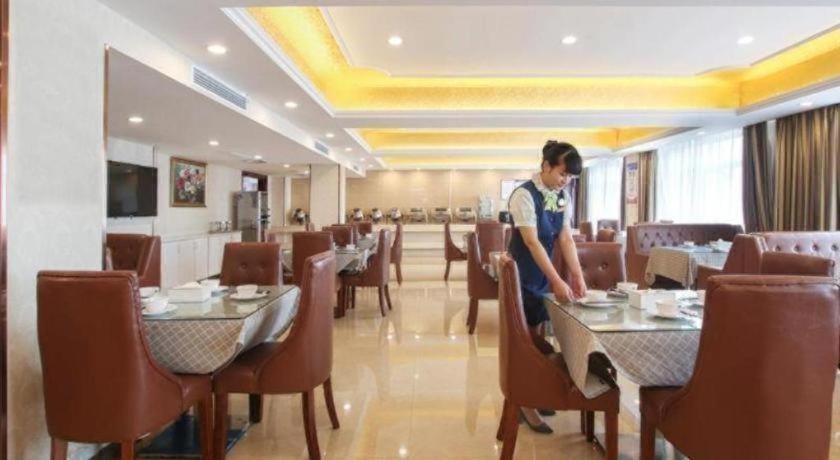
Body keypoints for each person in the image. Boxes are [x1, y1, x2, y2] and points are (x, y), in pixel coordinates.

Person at [506, 140, 587, 433]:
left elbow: (565, 238)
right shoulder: (524, 195)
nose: (565, 181)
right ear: (546, 166)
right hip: (521, 275)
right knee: (524, 342)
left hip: (541, 274)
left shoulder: (561, 197)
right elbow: (531, 241)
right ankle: (524, 403)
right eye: (562, 174)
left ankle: (535, 392)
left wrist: (577, 275)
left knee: (538, 339)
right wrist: (557, 279)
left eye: (570, 177)